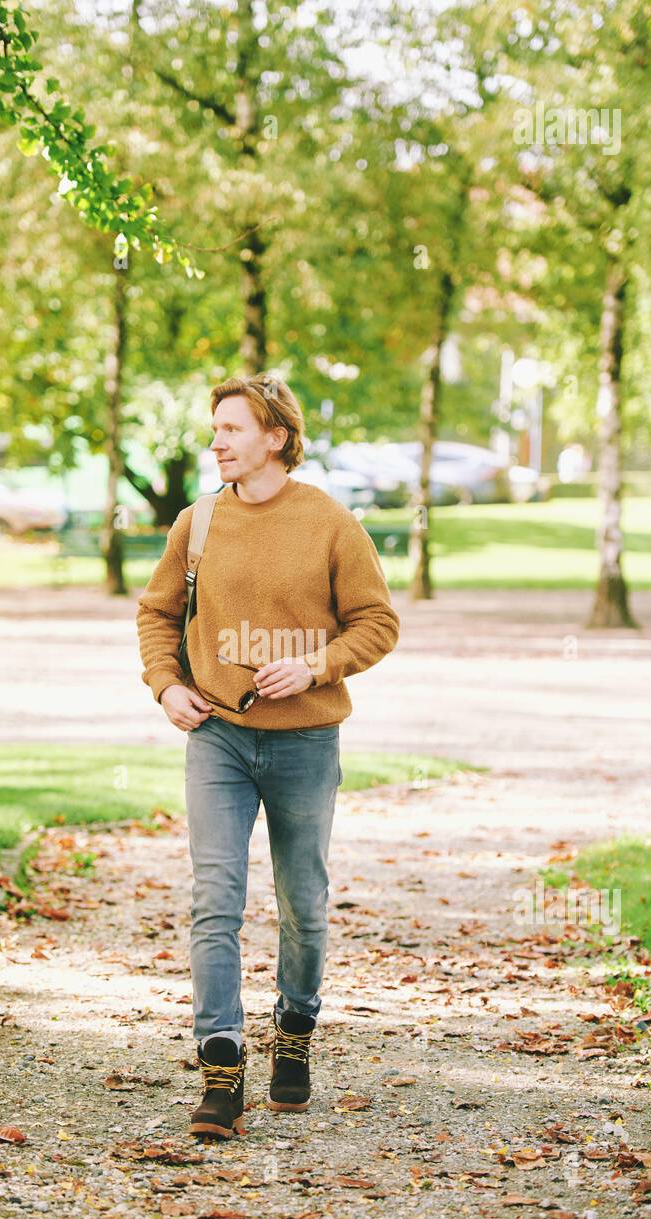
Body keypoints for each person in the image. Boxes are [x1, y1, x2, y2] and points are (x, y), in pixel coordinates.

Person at [136, 374, 400, 1139]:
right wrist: (165, 686)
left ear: (274, 437)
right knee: (214, 900)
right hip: (217, 737)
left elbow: (376, 623)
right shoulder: (200, 521)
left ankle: (295, 1030)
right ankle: (221, 1067)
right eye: (214, 429)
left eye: (231, 429)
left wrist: (317, 666)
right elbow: (158, 614)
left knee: (302, 906)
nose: (216, 442)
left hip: (306, 742)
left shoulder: (329, 522)